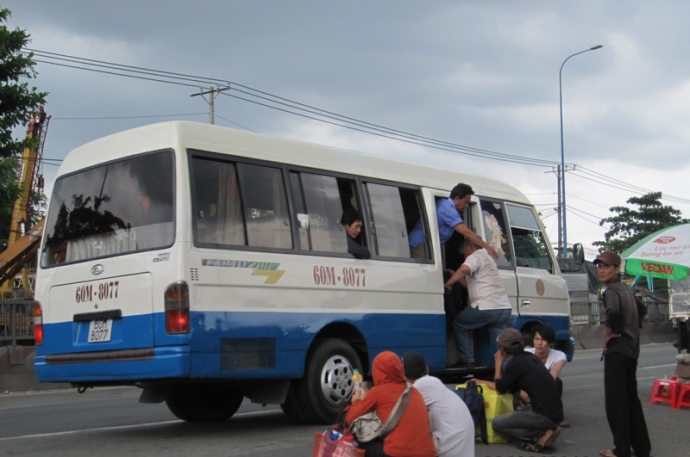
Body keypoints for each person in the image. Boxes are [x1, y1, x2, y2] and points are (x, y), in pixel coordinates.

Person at [595, 251, 651, 457]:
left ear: (617, 269)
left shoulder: (611, 290)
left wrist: (611, 332)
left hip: (618, 352)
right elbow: (642, 309)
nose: (601, 270)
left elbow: (614, 313)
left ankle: (621, 450)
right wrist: (634, 327)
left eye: (606, 266)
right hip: (631, 351)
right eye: (599, 266)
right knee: (631, 401)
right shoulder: (625, 289)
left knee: (616, 404)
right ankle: (642, 448)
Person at [474, 328, 563, 453]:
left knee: (497, 424)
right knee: (520, 409)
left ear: (502, 349)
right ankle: (548, 428)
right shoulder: (529, 357)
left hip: (543, 414)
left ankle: (541, 433)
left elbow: (500, 389)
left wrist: (498, 363)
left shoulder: (515, 364)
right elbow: (510, 388)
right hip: (555, 411)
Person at [345, 351, 436, 457]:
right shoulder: (414, 391)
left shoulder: (379, 391)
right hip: (429, 453)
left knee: (357, 438)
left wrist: (356, 400)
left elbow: (349, 419)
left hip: (398, 453)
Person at [444, 239, 512, 369]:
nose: (462, 253)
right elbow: (467, 285)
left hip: (485, 308)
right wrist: (454, 276)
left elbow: (464, 270)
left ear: (469, 247)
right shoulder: (487, 259)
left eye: (463, 248)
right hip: (503, 309)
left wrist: (448, 283)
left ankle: (467, 360)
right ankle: (509, 375)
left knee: (458, 324)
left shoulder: (476, 256)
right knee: (502, 345)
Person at [402, 351, 475, 457]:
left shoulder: (421, 386)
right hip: (459, 447)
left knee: (400, 443)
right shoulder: (432, 382)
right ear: (426, 369)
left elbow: (396, 410)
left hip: (449, 448)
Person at [408, 183, 499, 259]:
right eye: (466, 202)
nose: (467, 206)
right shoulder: (448, 210)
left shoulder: (445, 204)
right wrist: (489, 249)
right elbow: (467, 233)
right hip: (421, 245)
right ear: (457, 199)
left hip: (423, 244)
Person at [523, 323, 570, 428]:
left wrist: (535, 395)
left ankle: (557, 415)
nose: (539, 343)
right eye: (536, 339)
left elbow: (552, 376)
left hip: (544, 389)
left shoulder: (559, 355)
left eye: (543, 340)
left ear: (550, 343)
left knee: (557, 382)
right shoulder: (525, 353)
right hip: (527, 389)